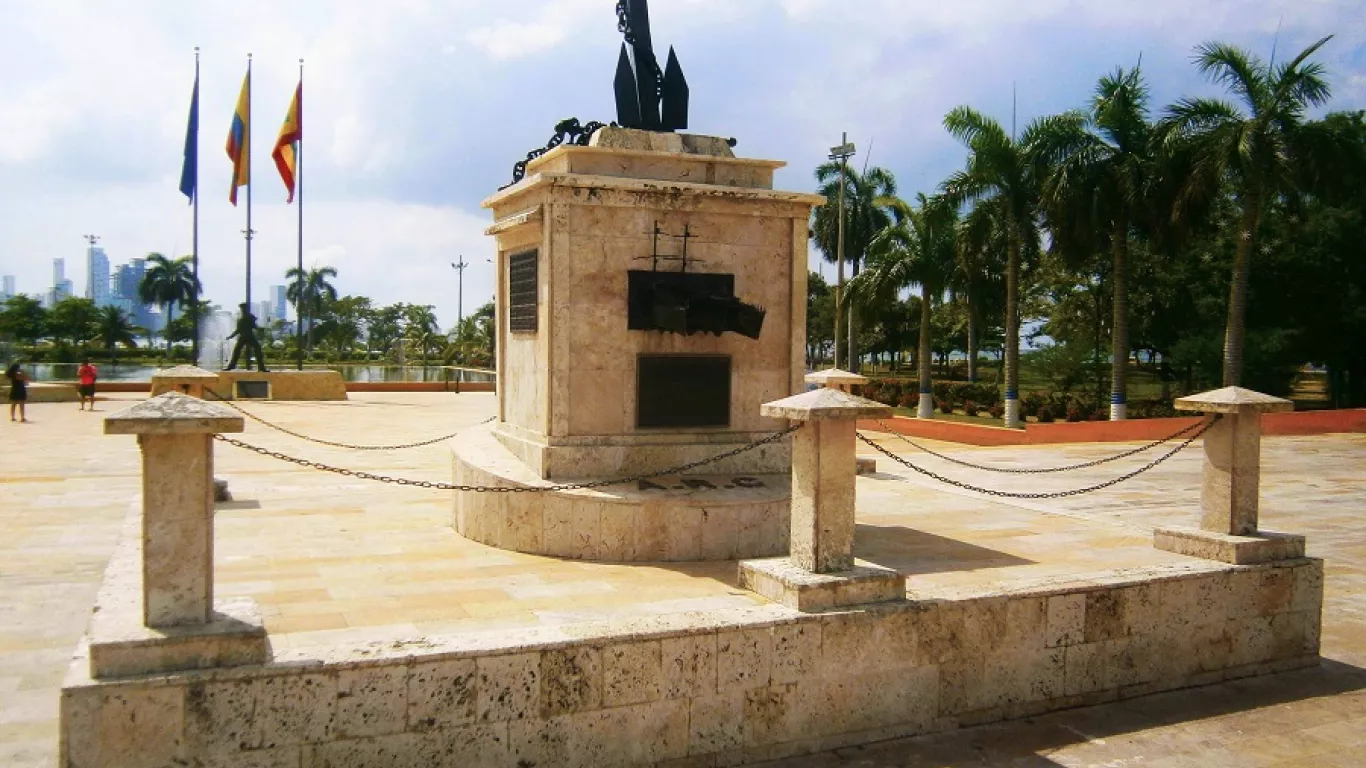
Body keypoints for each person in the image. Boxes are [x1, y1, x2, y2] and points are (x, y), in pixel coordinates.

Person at [225, 304, 268, 372]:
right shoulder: (240, 318)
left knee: (257, 349)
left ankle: (261, 367)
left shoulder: (250, 317)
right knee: (236, 351)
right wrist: (230, 336)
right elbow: (238, 330)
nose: (243, 310)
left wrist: (260, 329)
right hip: (243, 337)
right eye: (242, 309)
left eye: (244, 308)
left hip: (250, 336)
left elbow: (254, 326)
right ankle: (231, 366)